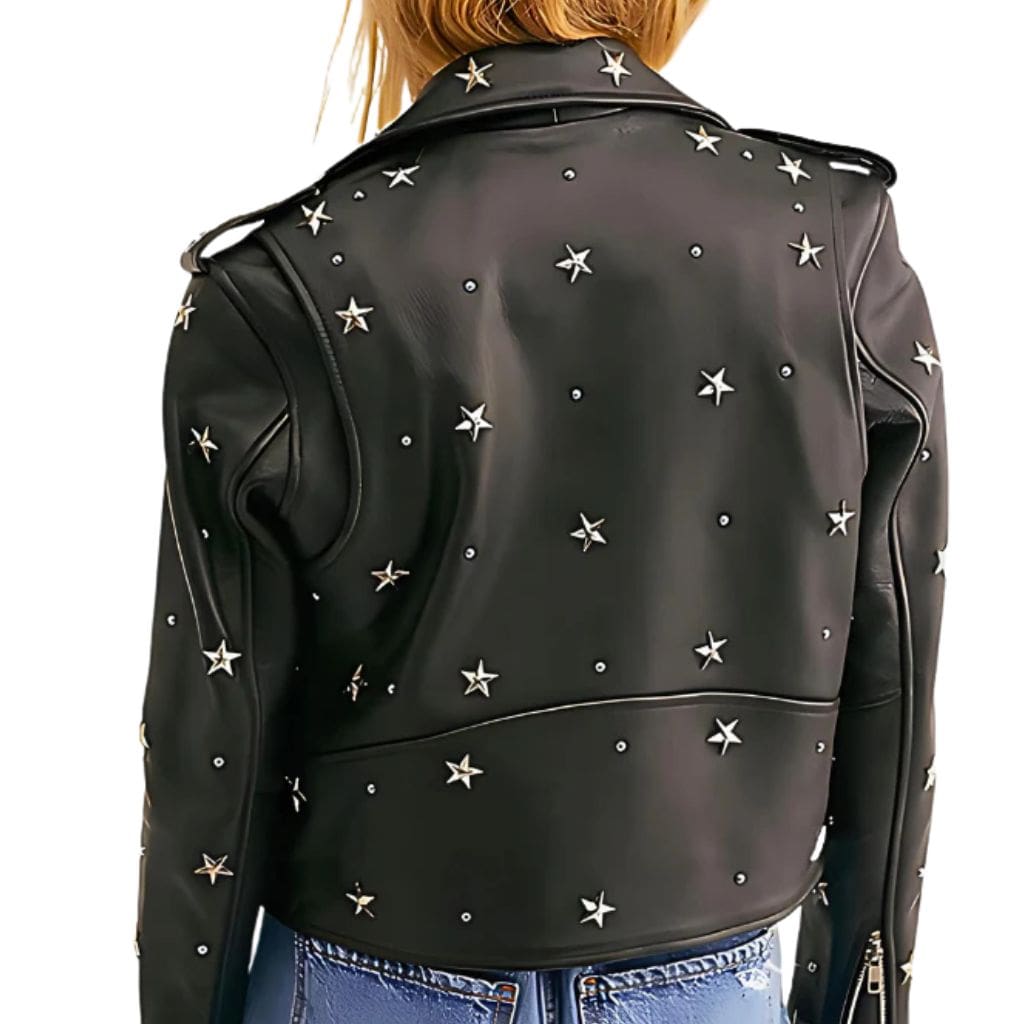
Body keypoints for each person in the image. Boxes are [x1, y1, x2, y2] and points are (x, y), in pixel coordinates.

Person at [133, 2, 948, 1023]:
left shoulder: (278, 286)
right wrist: (859, 1000)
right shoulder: (830, 238)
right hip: (709, 981)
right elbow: (894, 676)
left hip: (364, 974)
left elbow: (213, 748)